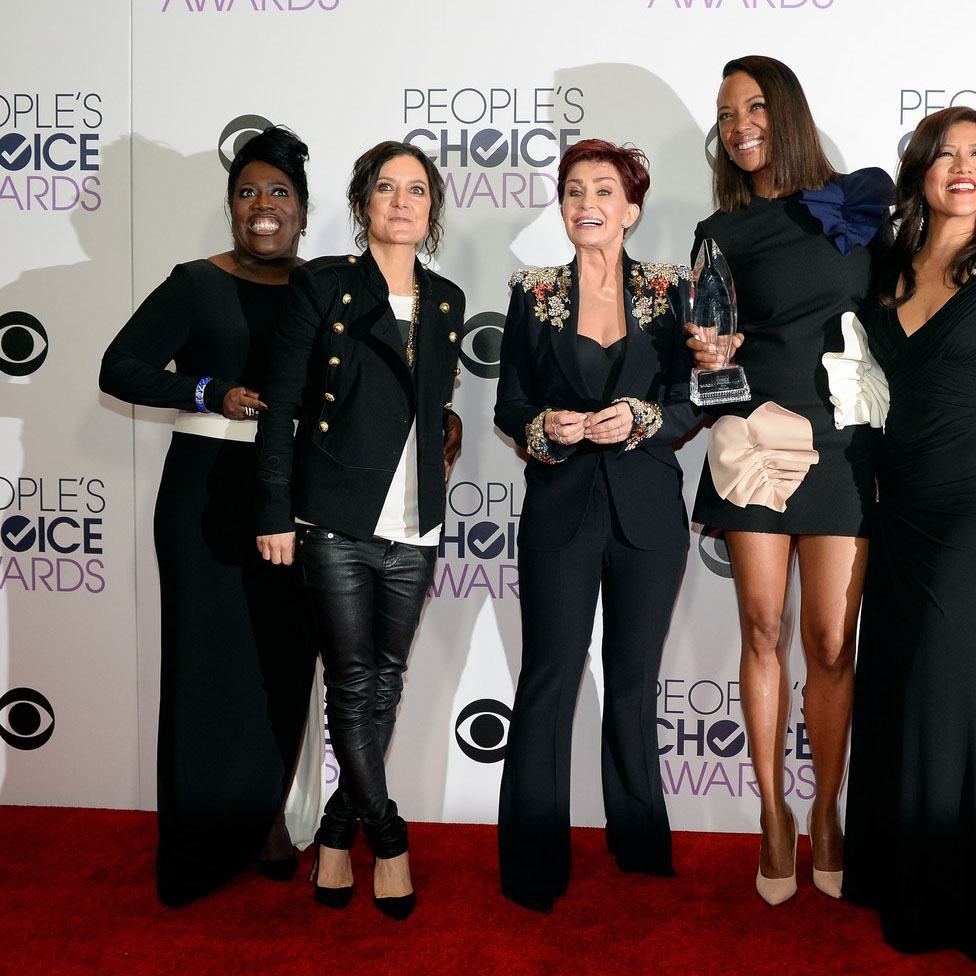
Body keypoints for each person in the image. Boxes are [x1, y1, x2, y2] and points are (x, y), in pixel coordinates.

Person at [686, 56, 892, 905]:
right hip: (756, 442)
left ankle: (828, 812)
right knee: (764, 628)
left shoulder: (860, 207)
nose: (740, 125)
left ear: (791, 111)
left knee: (834, 643)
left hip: (844, 442)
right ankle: (772, 813)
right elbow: (699, 364)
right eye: (728, 112)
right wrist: (706, 360)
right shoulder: (719, 233)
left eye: (756, 106)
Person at [99, 127, 317, 906]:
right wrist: (204, 390)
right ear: (230, 207)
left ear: (303, 208)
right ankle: (197, 837)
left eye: (279, 194)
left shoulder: (324, 287)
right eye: (248, 193)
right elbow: (118, 366)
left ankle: (265, 816)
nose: (263, 208)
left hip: (293, 499)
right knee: (202, 671)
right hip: (201, 500)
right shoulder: (195, 282)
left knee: (282, 667)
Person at [255, 141, 464, 921]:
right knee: (351, 683)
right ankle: (390, 833)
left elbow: (435, 407)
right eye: (386, 188)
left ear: (432, 211)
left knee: (383, 685)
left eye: (417, 190)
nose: (402, 202)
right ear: (362, 204)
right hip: (336, 519)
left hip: (415, 522)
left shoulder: (446, 299)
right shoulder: (322, 287)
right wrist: (274, 512)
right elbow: (281, 406)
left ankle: (337, 834)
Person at [494, 138, 699, 914]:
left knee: (635, 681)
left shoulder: (671, 290)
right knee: (548, 677)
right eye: (575, 189)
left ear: (632, 208)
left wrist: (645, 417)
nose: (588, 203)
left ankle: (639, 841)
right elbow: (508, 404)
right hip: (559, 510)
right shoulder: (533, 291)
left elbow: (692, 398)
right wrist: (548, 424)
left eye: (604, 190)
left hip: (648, 513)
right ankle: (534, 857)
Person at [843, 106, 976, 960]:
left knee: (940, 687)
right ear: (921, 169)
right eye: (949, 155)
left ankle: (945, 898)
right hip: (893, 508)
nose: (964, 168)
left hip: (969, 508)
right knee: (892, 679)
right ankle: (899, 873)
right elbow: (856, 386)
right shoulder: (886, 264)